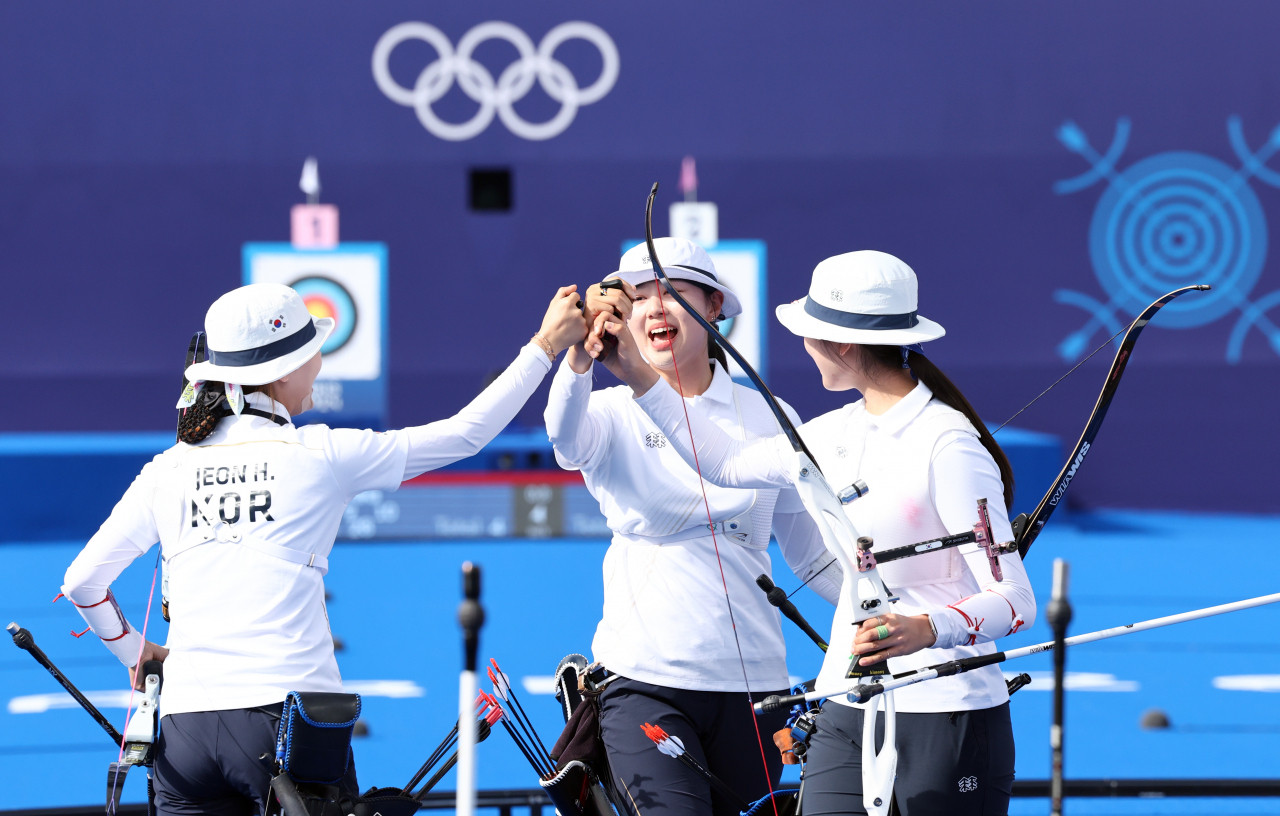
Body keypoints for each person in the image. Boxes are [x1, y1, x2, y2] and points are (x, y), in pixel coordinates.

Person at [61, 281, 587, 816]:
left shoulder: (166, 468)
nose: (320, 361)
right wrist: (543, 347)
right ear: (284, 370)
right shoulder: (322, 454)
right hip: (289, 728)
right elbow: (465, 435)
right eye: (313, 350)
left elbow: (83, 583)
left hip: (185, 734)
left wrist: (137, 652)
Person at [593, 250, 1037, 816]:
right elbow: (723, 463)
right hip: (846, 703)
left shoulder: (947, 444)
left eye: (808, 332)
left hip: (947, 711)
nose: (801, 345)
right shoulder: (830, 434)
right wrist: (632, 371)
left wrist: (927, 628)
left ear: (843, 344)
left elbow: (1015, 601)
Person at [546, 238, 842, 816]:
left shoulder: (770, 415)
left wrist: (894, 608)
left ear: (714, 308)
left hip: (758, 687)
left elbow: (813, 556)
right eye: (641, 297)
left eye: (675, 292)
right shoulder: (608, 411)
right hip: (644, 682)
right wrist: (580, 358)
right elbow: (563, 436)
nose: (656, 308)